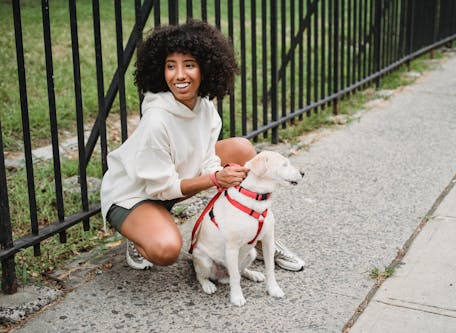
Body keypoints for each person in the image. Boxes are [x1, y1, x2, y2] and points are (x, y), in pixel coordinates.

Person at [100, 19, 304, 272]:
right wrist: (217, 179)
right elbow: (162, 188)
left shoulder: (205, 107)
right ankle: (138, 233)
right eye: (170, 66)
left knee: (242, 150)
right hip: (136, 194)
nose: (180, 75)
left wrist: (221, 174)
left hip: (176, 179)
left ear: (205, 69)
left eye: (189, 65)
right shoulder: (156, 120)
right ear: (160, 71)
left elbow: (208, 159)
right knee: (165, 250)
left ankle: (258, 238)